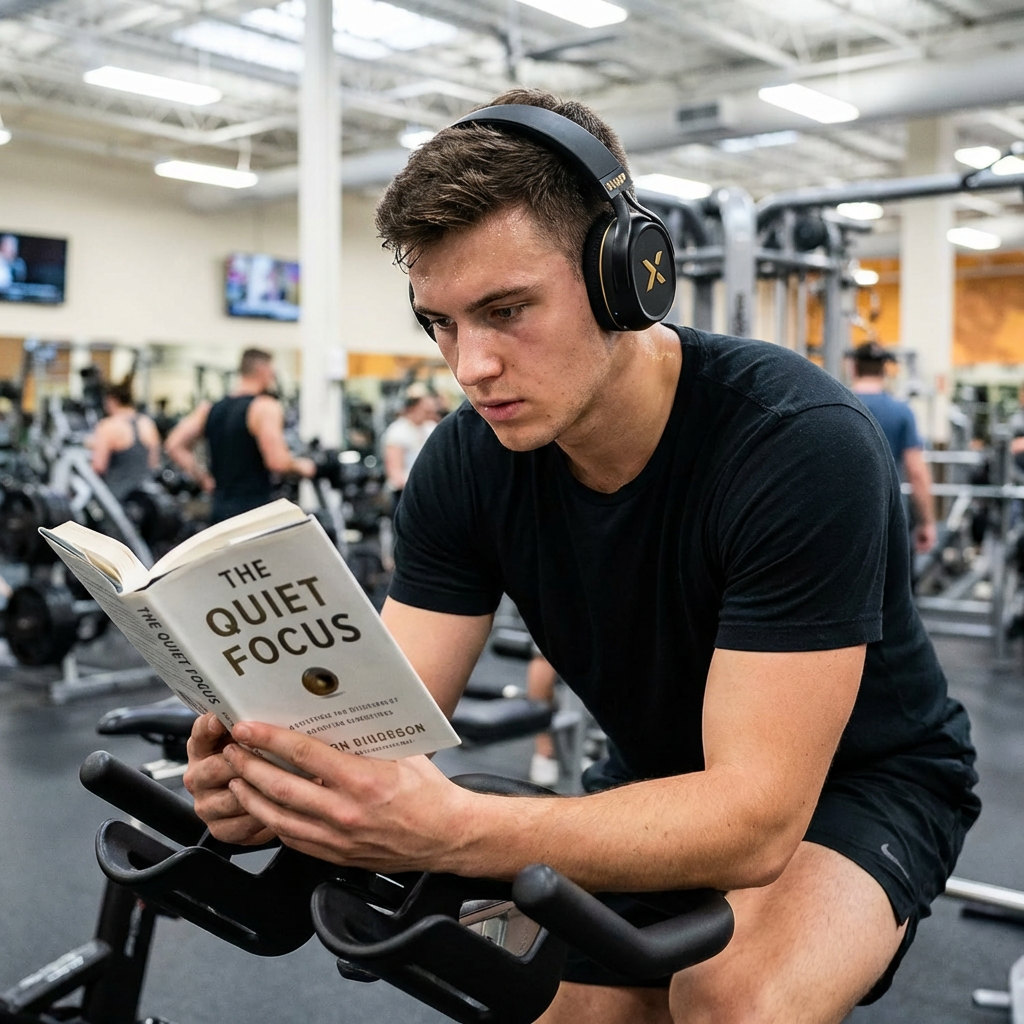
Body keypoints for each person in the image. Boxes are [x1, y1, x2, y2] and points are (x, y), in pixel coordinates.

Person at [184, 91, 979, 1024]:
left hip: (858, 786)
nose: (468, 365)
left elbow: (756, 819)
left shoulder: (799, 444)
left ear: (626, 278)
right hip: (655, 776)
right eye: (440, 323)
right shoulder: (466, 461)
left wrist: (458, 829)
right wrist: (269, 780)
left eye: (506, 309)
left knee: (730, 1001)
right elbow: (378, 723)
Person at [165, 347, 315, 524]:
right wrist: (304, 466)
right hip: (254, 513)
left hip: (219, 510)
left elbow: (173, 444)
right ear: (263, 371)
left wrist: (204, 479)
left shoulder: (210, 409)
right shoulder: (264, 407)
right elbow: (277, 462)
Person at [849, 342, 937, 554]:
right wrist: (927, 522)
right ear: (884, 370)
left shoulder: (837, 404)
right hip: (888, 517)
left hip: (843, 517)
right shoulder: (901, 411)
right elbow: (916, 473)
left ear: (853, 367)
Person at [87, 379, 161, 501]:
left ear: (112, 400)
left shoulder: (108, 426)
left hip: (116, 501)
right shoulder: (148, 424)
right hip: (144, 500)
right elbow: (153, 463)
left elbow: (99, 466)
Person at [381, 383, 436, 507]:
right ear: (413, 408)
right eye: (425, 409)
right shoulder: (397, 431)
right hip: (405, 494)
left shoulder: (430, 428)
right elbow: (395, 472)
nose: (429, 412)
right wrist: (419, 485)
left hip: (429, 492)